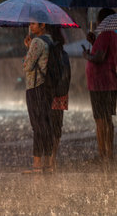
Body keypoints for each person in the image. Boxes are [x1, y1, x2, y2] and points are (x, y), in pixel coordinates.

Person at [82, 8, 117, 163]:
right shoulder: (113, 36)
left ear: (102, 21)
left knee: (100, 121)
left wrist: (86, 55)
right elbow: (106, 53)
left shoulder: (105, 34)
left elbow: (99, 57)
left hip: (100, 84)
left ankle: (102, 154)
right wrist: (94, 43)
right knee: (107, 120)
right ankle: (109, 153)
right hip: (110, 83)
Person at [22, 22, 54, 173]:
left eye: (34, 23)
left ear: (42, 25)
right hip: (47, 87)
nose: (31, 26)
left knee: (37, 126)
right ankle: (48, 163)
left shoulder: (36, 41)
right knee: (45, 125)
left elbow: (27, 66)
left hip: (35, 87)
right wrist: (30, 50)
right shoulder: (49, 40)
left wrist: (27, 54)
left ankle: (36, 164)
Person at [49, 26, 69, 170]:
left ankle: (46, 158)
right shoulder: (64, 53)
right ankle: (52, 158)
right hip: (61, 93)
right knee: (56, 126)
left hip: (49, 93)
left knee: (46, 125)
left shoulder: (47, 51)